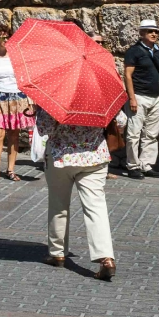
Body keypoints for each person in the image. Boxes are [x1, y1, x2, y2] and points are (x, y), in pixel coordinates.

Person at [33, 97, 116, 281]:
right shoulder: (98, 95)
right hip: (94, 156)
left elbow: (44, 128)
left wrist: (38, 110)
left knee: (58, 204)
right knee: (96, 208)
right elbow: (121, 120)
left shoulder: (55, 95)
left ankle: (57, 252)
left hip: (61, 156)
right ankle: (106, 258)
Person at [0, 24, 32, 183]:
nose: (5, 40)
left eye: (7, 36)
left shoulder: (16, 55)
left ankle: (10, 169)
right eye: (1, 37)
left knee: (14, 133)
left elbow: (24, 76)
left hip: (15, 96)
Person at [122, 20, 159, 177]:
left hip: (155, 97)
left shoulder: (157, 51)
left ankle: (146, 164)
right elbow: (128, 75)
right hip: (140, 96)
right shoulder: (134, 51)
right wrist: (132, 98)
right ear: (142, 33)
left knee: (151, 133)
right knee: (134, 133)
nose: (154, 34)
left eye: (156, 31)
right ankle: (132, 165)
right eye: (149, 31)